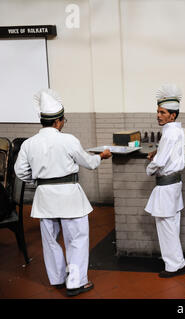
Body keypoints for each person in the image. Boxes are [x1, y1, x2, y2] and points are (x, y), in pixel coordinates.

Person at [14, 89, 112, 297]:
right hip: (69, 197)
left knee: (50, 240)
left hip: (45, 198)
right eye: (63, 120)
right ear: (58, 121)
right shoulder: (68, 140)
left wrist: (40, 182)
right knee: (76, 238)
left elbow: (20, 171)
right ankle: (75, 282)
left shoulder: (29, 144)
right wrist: (101, 157)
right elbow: (88, 162)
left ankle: (58, 279)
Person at [144, 84, 185, 278]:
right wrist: (158, 152)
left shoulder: (169, 132)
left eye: (162, 112)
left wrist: (149, 168)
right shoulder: (176, 131)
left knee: (165, 225)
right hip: (175, 184)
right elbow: (167, 154)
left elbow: (160, 161)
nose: (158, 115)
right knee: (172, 224)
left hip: (166, 185)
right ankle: (178, 262)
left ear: (173, 115)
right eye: (158, 112)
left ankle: (172, 265)